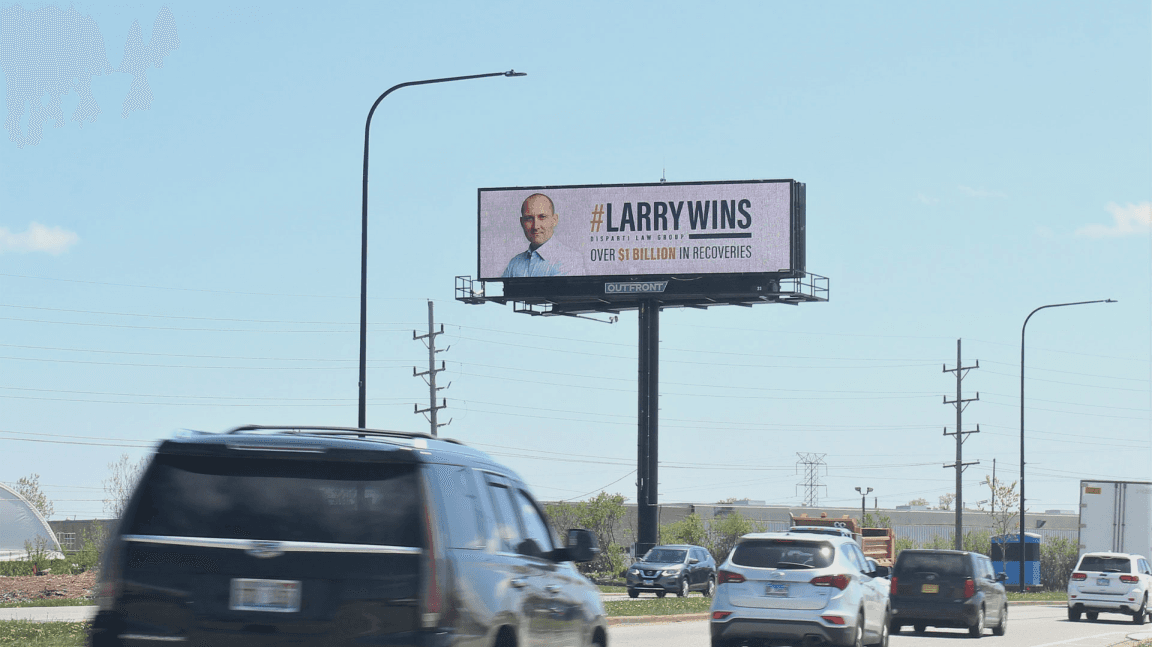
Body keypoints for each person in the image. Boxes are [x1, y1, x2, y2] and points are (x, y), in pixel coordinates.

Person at [502, 193, 566, 277]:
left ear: (554, 220)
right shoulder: (514, 263)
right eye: (529, 218)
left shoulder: (570, 259)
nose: (535, 226)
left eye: (542, 217)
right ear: (521, 222)